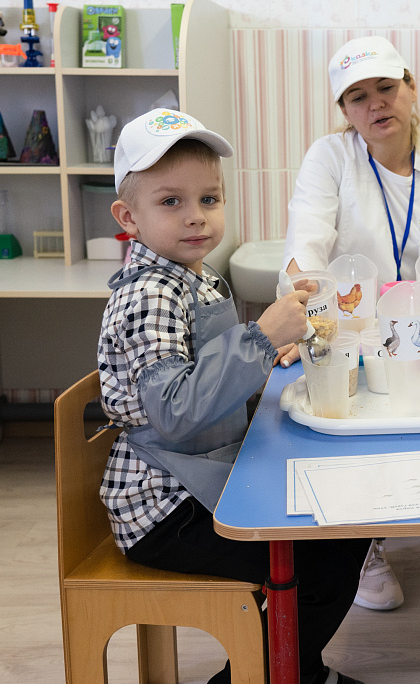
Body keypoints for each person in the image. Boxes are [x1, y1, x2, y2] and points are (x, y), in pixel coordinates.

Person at [98, 108, 370, 684]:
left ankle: (286, 670)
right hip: (163, 508)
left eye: (210, 199)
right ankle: (268, 675)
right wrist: (260, 338)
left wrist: (275, 354)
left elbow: (214, 378)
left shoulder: (195, 274)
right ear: (129, 217)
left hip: (198, 474)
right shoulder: (150, 294)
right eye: (171, 202)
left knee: (346, 529)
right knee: (319, 561)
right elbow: (174, 411)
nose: (196, 218)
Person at [282, 36, 420, 611]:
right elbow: (309, 238)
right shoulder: (332, 158)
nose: (376, 105)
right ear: (344, 112)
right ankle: (362, 544)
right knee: (352, 432)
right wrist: (306, 311)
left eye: (386, 88)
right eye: (357, 97)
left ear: (411, 87)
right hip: (352, 332)